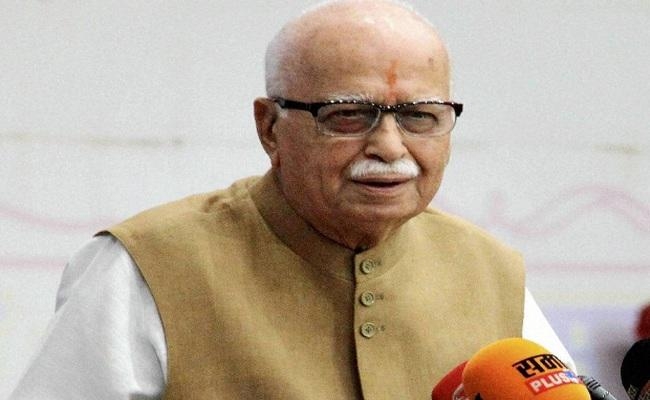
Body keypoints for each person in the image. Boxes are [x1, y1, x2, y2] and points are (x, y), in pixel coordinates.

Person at [10, 1, 574, 399]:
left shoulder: (491, 272)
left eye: (420, 117)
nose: (388, 146)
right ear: (269, 127)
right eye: (347, 115)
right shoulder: (149, 268)